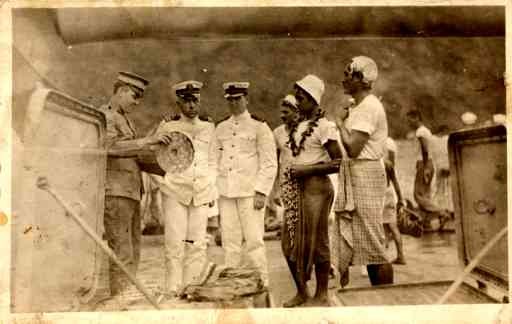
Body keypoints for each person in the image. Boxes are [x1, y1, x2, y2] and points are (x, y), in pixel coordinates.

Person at [100, 71, 170, 304]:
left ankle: (124, 297)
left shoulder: (123, 118)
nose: (137, 101)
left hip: (129, 192)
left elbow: (132, 153)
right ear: (120, 91)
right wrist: (146, 141)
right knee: (122, 249)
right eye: (134, 95)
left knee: (133, 250)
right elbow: (110, 148)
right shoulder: (106, 116)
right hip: (116, 191)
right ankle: (118, 299)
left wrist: (156, 149)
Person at [153, 80, 218, 298]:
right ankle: (173, 288)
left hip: (201, 191)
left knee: (197, 243)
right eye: (187, 101)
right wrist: (165, 184)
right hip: (175, 192)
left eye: (195, 101)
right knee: (174, 242)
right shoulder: (168, 127)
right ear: (179, 102)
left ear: (200, 101)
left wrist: (210, 186)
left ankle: (193, 287)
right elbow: (154, 159)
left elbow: (213, 160)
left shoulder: (210, 127)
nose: (191, 106)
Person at [334, 56, 394, 287]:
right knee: (367, 243)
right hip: (359, 173)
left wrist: (340, 123)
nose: (344, 79)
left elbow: (354, 149)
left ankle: (385, 297)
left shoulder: (368, 107)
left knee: (373, 242)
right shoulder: (360, 107)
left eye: (348, 74)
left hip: (365, 173)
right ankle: (379, 295)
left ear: (360, 79)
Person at [285, 75, 342, 307]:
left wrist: (306, 171)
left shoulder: (325, 126)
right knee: (289, 242)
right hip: (297, 189)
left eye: (301, 98)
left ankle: (322, 295)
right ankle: (302, 291)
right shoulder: (298, 126)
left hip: (318, 189)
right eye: (296, 97)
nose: (297, 102)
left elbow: (338, 162)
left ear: (312, 99)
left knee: (317, 241)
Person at [214, 82, 278, 287]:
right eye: (230, 100)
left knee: (254, 241)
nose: (234, 103)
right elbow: (213, 160)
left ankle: (261, 282)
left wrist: (261, 192)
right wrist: (215, 190)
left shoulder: (260, 127)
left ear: (246, 99)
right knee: (230, 241)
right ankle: (233, 284)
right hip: (226, 192)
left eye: (238, 99)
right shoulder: (221, 127)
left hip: (250, 192)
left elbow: (269, 163)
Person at [383, 137, 406, 264]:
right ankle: (401, 255)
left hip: (380, 197)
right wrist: (400, 199)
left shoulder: (375, 163)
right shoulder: (388, 164)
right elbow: (395, 183)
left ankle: (383, 257)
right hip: (390, 194)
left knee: (383, 228)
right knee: (392, 227)